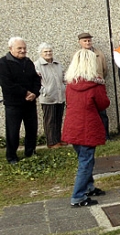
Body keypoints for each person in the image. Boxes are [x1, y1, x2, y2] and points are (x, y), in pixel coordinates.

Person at [62, 49, 110, 207]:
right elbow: (103, 104)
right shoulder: (95, 85)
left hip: (72, 126)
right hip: (88, 126)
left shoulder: (70, 83)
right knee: (86, 162)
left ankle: (89, 187)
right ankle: (78, 196)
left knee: (84, 158)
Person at [0, 37, 41, 164]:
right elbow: (7, 84)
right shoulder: (3, 63)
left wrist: (35, 93)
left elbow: (36, 79)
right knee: (13, 131)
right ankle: (12, 156)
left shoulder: (28, 62)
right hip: (13, 104)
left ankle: (30, 152)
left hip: (30, 102)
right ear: (10, 48)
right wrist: (25, 92)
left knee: (32, 129)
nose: (23, 50)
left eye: (24, 48)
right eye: (19, 48)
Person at [77, 32, 110, 140]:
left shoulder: (99, 53)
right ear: (80, 42)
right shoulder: (77, 55)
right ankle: (92, 136)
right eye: (85, 41)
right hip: (85, 89)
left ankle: (105, 135)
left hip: (98, 86)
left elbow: (105, 70)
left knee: (102, 112)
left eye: (89, 40)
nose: (88, 43)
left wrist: (99, 79)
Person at [34, 43, 66, 149]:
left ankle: (58, 139)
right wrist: (44, 92)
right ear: (40, 53)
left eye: (50, 51)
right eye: (45, 52)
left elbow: (63, 77)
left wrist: (65, 87)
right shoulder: (37, 65)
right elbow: (35, 82)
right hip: (48, 97)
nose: (48, 53)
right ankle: (51, 142)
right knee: (50, 120)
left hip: (60, 95)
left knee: (58, 118)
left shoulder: (57, 63)